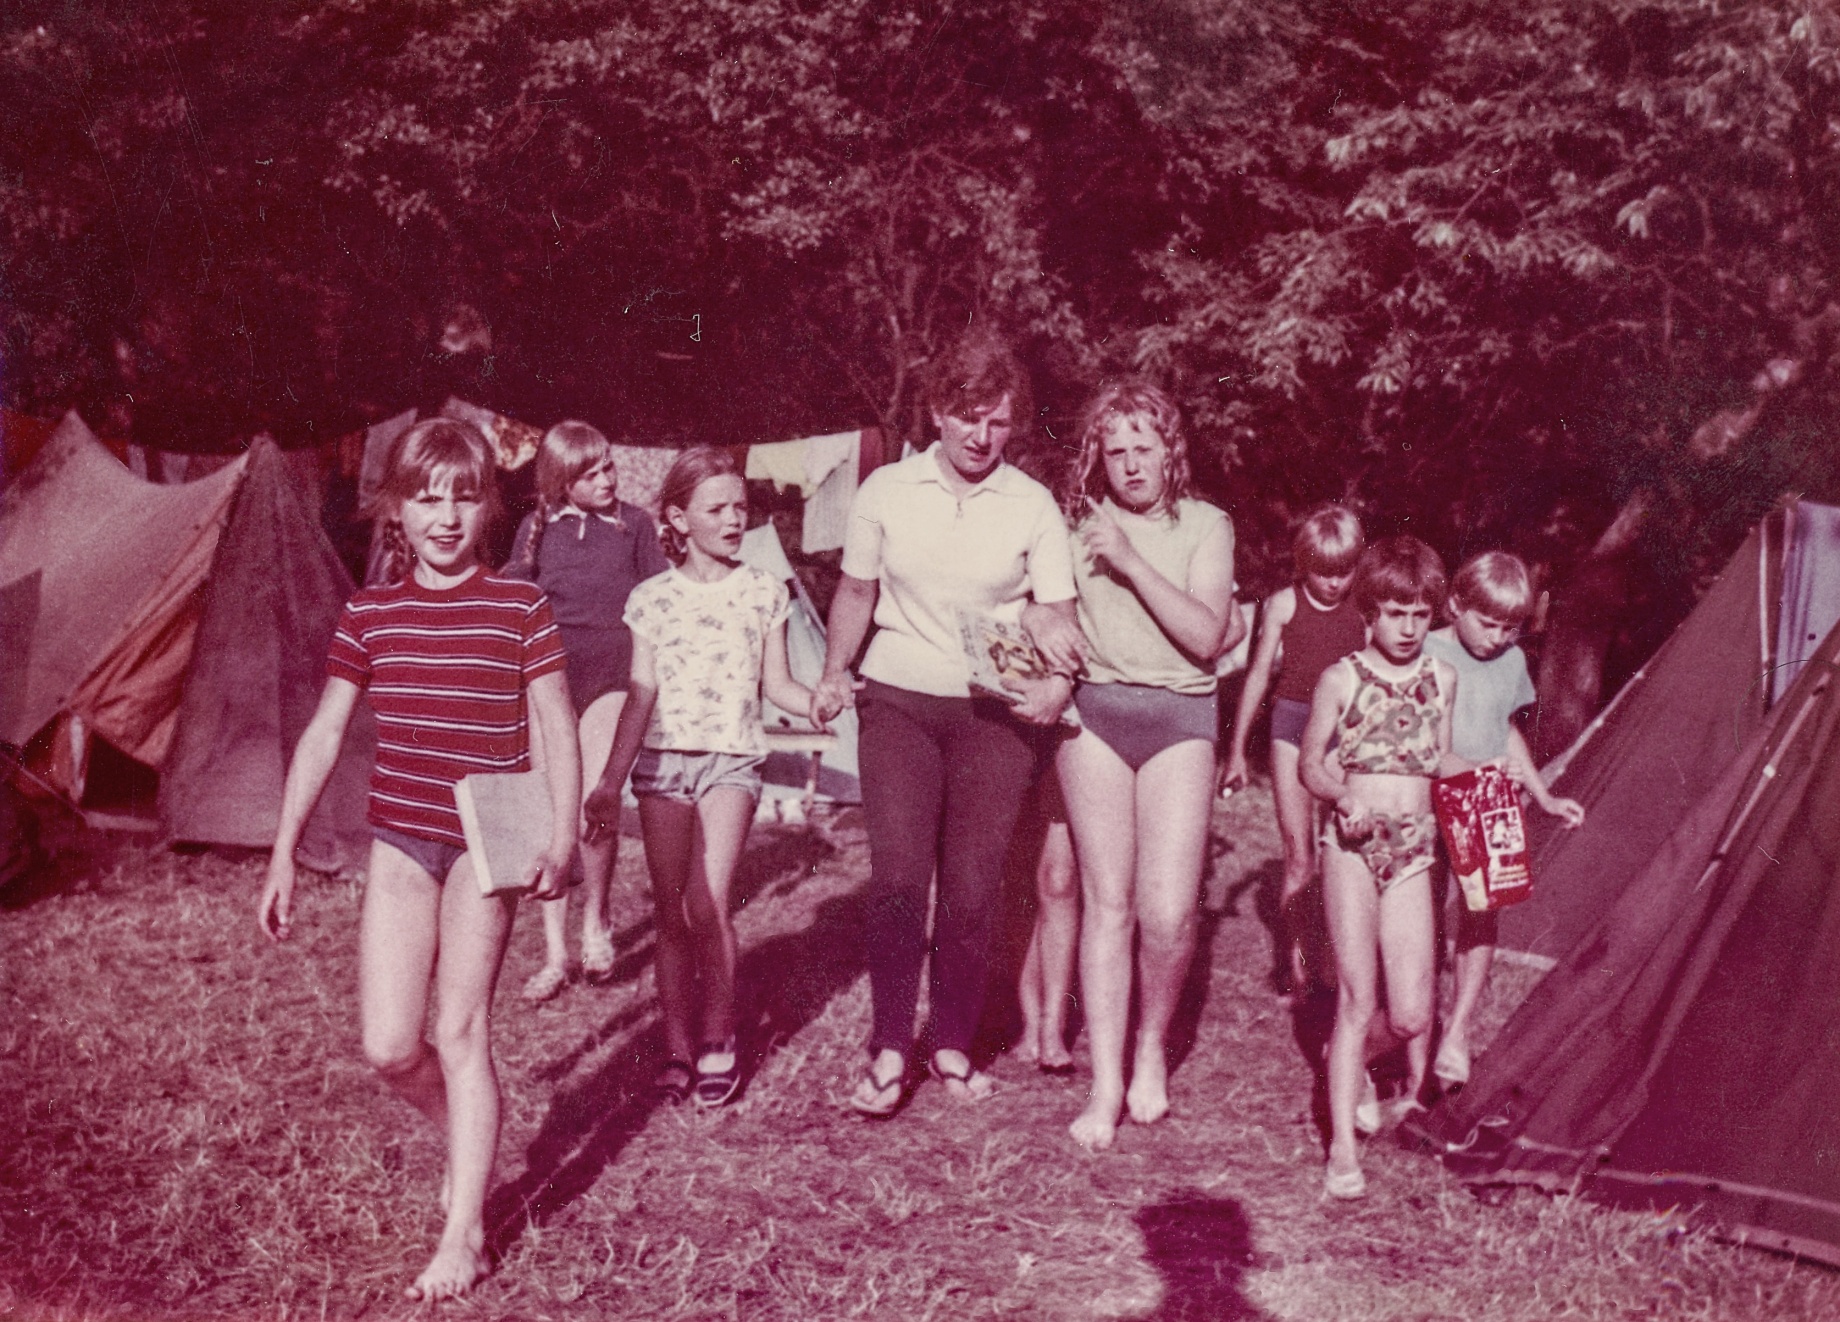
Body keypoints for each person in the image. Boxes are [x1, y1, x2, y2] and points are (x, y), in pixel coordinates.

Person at [258, 417, 580, 1299]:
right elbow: (324, 733)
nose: (446, 517)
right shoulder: (371, 614)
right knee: (391, 1046)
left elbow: (555, 722)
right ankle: (465, 1145)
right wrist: (282, 851)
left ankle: (464, 1231)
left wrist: (562, 835)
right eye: (427, 499)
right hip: (400, 839)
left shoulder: (520, 607)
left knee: (461, 1030)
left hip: (488, 839)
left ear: (489, 508)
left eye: (465, 498)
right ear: (396, 509)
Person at [812, 327, 1075, 1117]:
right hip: (897, 702)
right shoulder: (887, 491)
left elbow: (1056, 614)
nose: (980, 436)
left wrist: (1058, 684)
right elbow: (857, 592)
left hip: (994, 716)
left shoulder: (1033, 505)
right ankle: (891, 1047)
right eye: (966, 416)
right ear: (936, 412)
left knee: (971, 888)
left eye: (997, 421)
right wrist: (834, 670)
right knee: (899, 880)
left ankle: (952, 1042)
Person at [1029, 380, 1239, 1151]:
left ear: (1169, 449)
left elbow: (1207, 637)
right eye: (1114, 451)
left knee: (1169, 913)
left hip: (1180, 717)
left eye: (1143, 448)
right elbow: (1041, 604)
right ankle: (1106, 1085)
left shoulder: (1207, 526)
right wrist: (1040, 619)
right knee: (1107, 903)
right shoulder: (1075, 527)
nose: (1129, 464)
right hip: (1096, 717)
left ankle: (1151, 1045)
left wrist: (1128, 561)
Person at [582, 447, 814, 1108]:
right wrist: (609, 783)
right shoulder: (651, 600)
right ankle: (677, 1049)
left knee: (707, 903)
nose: (734, 520)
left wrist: (824, 701)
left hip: (731, 762)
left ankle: (719, 1038)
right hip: (662, 766)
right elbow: (641, 695)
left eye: (740, 507)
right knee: (671, 912)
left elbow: (780, 687)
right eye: (717, 509)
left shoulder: (764, 591)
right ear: (679, 519)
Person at [1299, 536, 1460, 1200]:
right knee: (1358, 998)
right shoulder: (1342, 679)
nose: (1408, 627)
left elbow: (1440, 759)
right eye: (1395, 613)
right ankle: (1341, 1147)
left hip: (1415, 851)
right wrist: (1342, 796)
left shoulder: (1442, 678)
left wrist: (1490, 776)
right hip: (1353, 850)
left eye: (1420, 614)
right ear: (1369, 610)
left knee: (1414, 1015)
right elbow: (1311, 764)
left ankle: (1346, 1058)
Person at [505, 420, 669, 1003]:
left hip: (612, 675)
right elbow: (514, 597)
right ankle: (555, 952)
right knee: (553, 808)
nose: (606, 480)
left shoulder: (635, 525)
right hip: (550, 677)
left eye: (609, 467)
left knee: (595, 801)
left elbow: (661, 596)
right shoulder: (535, 529)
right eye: (590, 474)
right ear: (560, 480)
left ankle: (597, 918)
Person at [1421, 551, 1584, 1088]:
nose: (1496, 638)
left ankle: (1458, 1030)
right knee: (1422, 910)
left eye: (1509, 628)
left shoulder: (1512, 661)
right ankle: (1413, 1027)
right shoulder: (1426, 649)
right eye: (1487, 623)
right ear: (1455, 605)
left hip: (1489, 797)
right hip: (1429, 793)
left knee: (1482, 910)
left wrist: (1543, 795)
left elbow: (1506, 730)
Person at [1221, 505, 1366, 993]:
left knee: (1340, 848)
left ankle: (1337, 961)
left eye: (1343, 571)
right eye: (1322, 571)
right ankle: (1299, 964)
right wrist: (1237, 750)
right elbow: (1258, 675)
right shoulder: (1283, 604)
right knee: (1298, 852)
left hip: (1344, 731)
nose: (1333, 582)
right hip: (1291, 727)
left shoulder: (1364, 608)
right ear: (1305, 564)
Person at [1013, 773, 1078, 1076]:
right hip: (1010, 753)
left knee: (1058, 880)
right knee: (1019, 883)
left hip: (1062, 753)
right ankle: (1031, 1021)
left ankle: (1053, 1025)